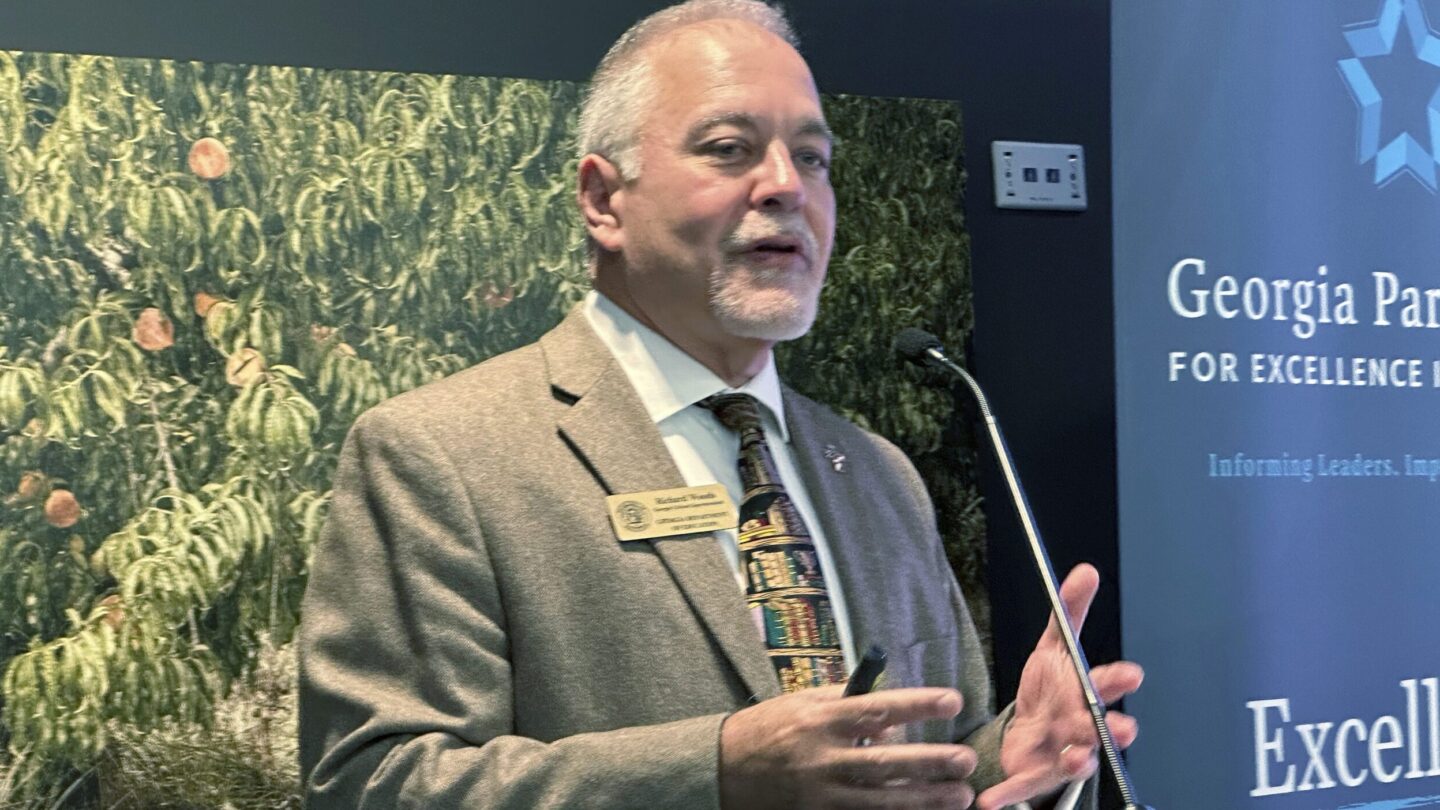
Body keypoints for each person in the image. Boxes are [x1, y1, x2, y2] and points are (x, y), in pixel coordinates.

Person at [298, 1, 1144, 808]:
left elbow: (918, 767)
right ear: (602, 199)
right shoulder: (440, 453)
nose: (786, 186)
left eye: (813, 158)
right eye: (731, 148)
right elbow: (373, 785)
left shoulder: (880, 474)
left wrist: (1014, 758)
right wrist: (715, 776)